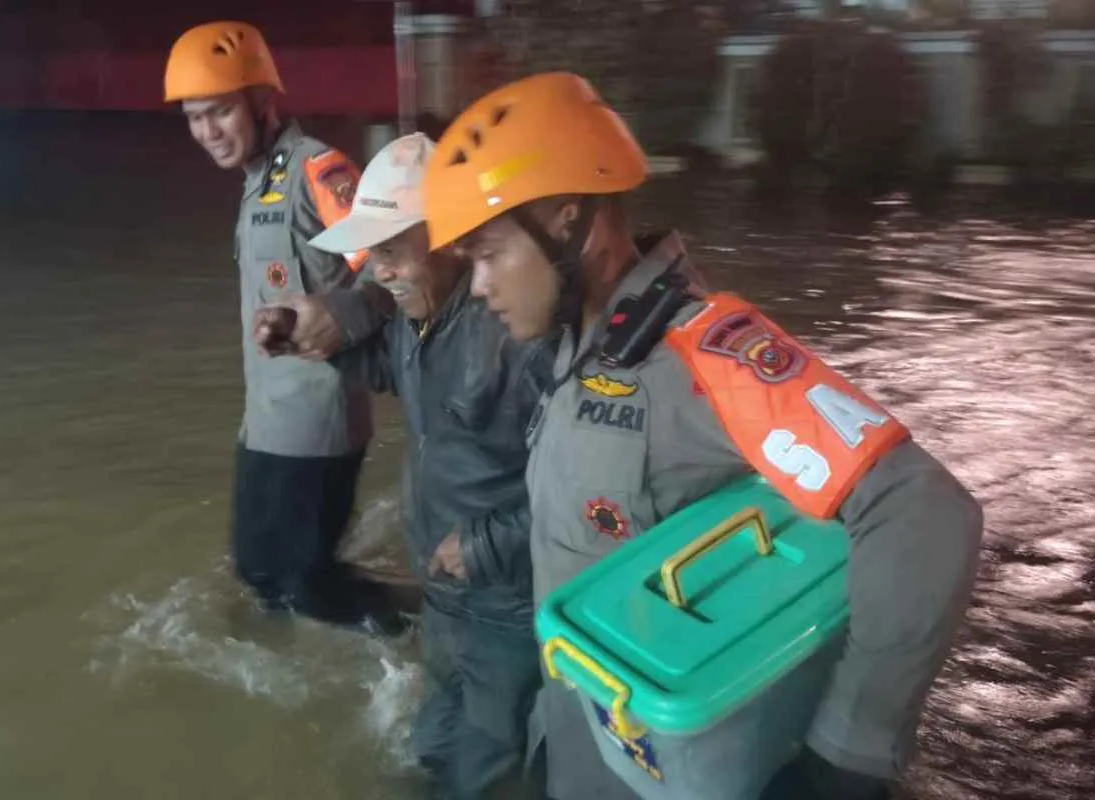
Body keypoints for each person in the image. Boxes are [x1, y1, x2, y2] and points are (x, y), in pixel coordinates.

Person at [419, 71, 985, 800]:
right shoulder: (574, 349)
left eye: (489, 254)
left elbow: (924, 513)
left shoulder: (706, 354)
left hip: (664, 757)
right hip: (577, 718)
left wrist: (845, 755)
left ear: (564, 218)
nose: (480, 286)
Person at [252, 133, 553, 799]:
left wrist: (484, 542)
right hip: (446, 593)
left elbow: (585, 486)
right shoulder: (416, 325)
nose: (378, 270)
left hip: (509, 604)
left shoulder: (518, 334)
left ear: (448, 239)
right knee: (431, 751)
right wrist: (309, 345)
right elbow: (391, 370)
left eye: (391, 250)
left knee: (486, 771)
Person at [163, 21, 401, 631]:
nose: (207, 132)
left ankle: (411, 629)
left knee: (301, 584)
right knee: (257, 571)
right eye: (194, 117)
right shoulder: (255, 183)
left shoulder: (315, 171)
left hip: (318, 424)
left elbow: (394, 269)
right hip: (268, 418)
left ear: (263, 102)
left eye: (220, 112)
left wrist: (341, 313)